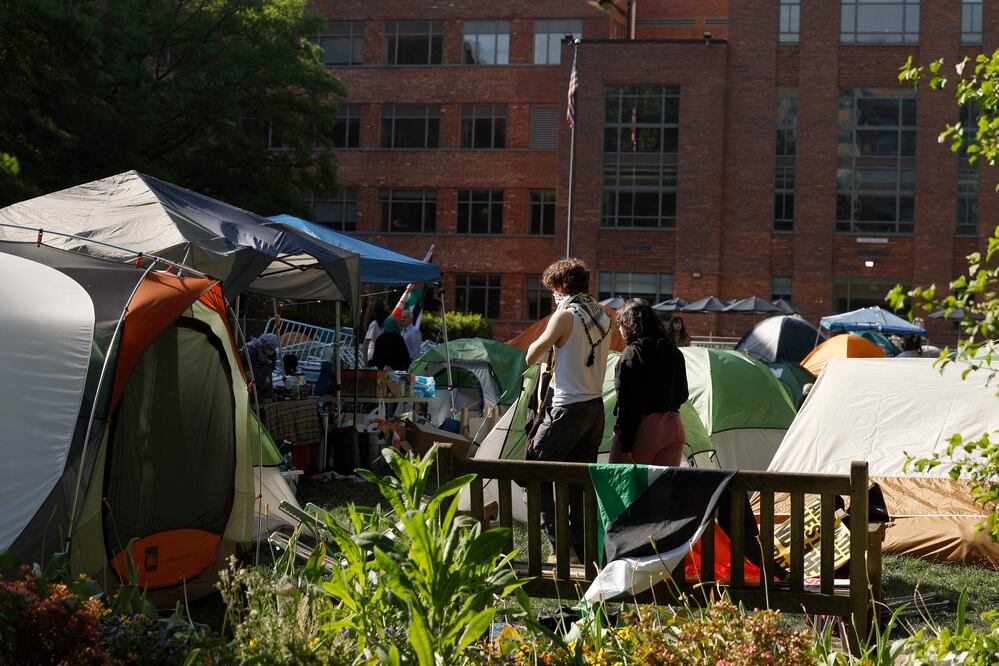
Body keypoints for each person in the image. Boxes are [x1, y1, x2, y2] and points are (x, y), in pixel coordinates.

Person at [525, 258, 611, 565]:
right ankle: (584, 551)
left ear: (561, 286)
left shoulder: (565, 315)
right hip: (594, 410)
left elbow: (531, 356)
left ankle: (560, 549)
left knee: (536, 473)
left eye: (552, 290)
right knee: (577, 483)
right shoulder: (602, 316)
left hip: (566, 408)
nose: (552, 296)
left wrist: (546, 339)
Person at [610, 299, 689, 466]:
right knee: (662, 490)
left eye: (621, 324)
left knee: (623, 488)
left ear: (630, 325)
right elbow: (683, 395)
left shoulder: (632, 353)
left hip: (643, 430)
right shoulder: (674, 351)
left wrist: (626, 445)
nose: (619, 329)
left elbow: (627, 404)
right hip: (674, 427)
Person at [246, 333, 280, 401]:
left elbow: (272, 366)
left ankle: (267, 395)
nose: (272, 351)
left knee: (267, 371)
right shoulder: (251, 349)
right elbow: (249, 365)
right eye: (270, 348)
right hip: (249, 370)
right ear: (264, 344)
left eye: (274, 349)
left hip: (262, 372)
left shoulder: (272, 352)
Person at [363, 299, 389, 364]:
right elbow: (365, 343)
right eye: (385, 305)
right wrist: (365, 362)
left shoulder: (387, 323)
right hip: (374, 358)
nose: (388, 307)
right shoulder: (374, 324)